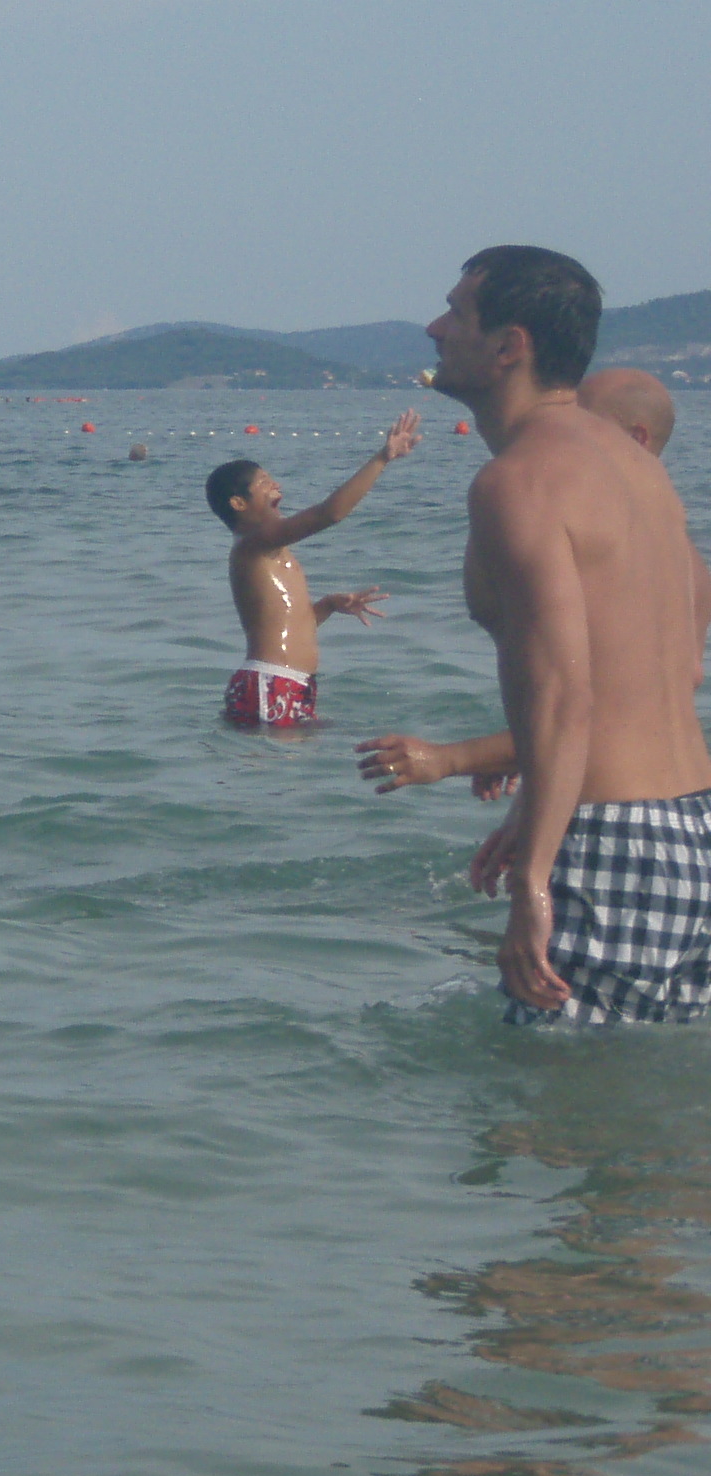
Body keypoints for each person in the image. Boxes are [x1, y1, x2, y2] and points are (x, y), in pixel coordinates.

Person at [418, 249, 711, 1022]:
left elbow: (561, 693)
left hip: (613, 835)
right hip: (689, 822)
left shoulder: (520, 481)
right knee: (637, 1093)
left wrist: (533, 883)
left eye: (456, 313)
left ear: (510, 345)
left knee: (555, 1090)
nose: (435, 329)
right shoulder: (635, 468)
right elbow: (654, 667)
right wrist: (530, 814)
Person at [356, 368, 710, 798]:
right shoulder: (682, 557)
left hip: (618, 810)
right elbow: (642, 710)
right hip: (688, 800)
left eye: (584, 421)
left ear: (635, 440)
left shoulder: (606, 551)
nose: (564, 431)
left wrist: (452, 758)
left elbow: (593, 714)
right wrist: (515, 759)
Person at [205, 408, 423, 725]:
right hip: (271, 682)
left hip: (286, 683)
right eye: (264, 482)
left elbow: (288, 626)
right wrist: (382, 458)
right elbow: (330, 514)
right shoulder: (252, 544)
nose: (276, 484)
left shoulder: (272, 552)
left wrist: (328, 605)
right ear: (238, 503)